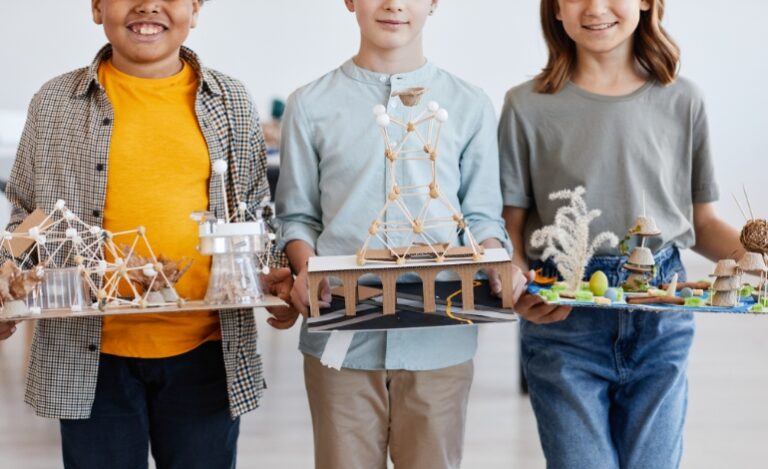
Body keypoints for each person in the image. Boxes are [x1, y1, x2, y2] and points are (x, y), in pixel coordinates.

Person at [1, 1, 293, 467]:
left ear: (195, 10)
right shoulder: (53, 103)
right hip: (89, 357)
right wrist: (8, 277)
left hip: (205, 348)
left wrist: (273, 274)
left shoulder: (231, 101)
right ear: (97, 8)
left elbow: (256, 213)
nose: (148, 4)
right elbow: (27, 217)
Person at [275, 1, 528, 467]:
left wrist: (496, 260)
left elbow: (482, 218)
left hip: (442, 336)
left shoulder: (469, 104)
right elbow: (297, 216)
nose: (394, 4)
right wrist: (304, 264)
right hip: (341, 334)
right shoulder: (309, 104)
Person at [500, 1, 743, 468]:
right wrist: (516, 283)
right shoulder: (525, 105)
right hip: (563, 322)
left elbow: (702, 224)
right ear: (555, 9)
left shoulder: (683, 100)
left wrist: (757, 255)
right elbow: (510, 228)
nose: (595, 8)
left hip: (661, 321)